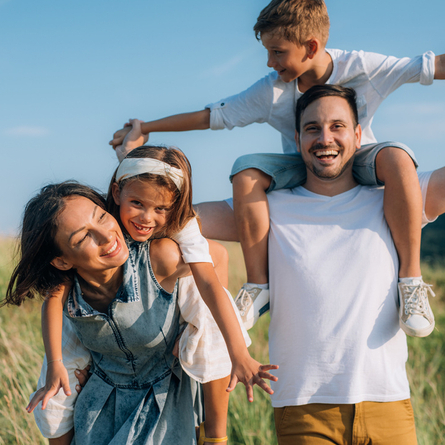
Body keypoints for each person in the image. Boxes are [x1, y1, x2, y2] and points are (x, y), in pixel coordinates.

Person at [109, 0, 445, 335]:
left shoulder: (362, 66)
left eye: (277, 52)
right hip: (302, 165)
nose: (270, 62)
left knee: (398, 157)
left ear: (311, 47)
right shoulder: (272, 90)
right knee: (246, 171)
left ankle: (411, 281)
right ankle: (258, 285)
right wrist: (147, 126)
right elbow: (211, 116)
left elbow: (430, 67)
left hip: (363, 160)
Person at [5, 179, 277, 445]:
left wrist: (195, 326)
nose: (105, 235)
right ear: (63, 260)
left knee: (207, 321)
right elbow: (57, 388)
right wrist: (60, 366)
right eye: (84, 236)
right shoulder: (68, 292)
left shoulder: (160, 258)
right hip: (100, 408)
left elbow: (217, 256)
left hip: (166, 401)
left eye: (101, 217)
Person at [267, 83, 443, 444]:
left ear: (359, 135)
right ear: (298, 138)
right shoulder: (270, 207)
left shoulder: (395, 196)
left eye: (337, 126)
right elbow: (180, 217)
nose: (324, 138)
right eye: (312, 128)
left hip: (387, 403)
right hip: (305, 409)